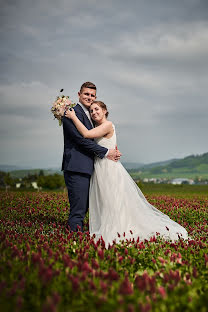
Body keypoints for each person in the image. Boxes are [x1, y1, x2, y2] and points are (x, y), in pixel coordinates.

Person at [65, 100, 189, 246]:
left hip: (108, 169)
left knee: (113, 200)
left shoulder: (107, 125)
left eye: (97, 109)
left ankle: (118, 229)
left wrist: (73, 117)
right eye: (91, 111)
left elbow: (85, 134)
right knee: (106, 201)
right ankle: (110, 227)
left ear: (105, 110)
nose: (94, 113)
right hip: (100, 168)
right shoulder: (99, 127)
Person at [62, 82, 121, 232]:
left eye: (92, 95)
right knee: (78, 209)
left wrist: (111, 147)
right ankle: (74, 242)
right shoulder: (70, 113)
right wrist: (107, 152)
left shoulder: (91, 117)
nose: (89, 97)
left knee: (91, 206)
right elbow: (81, 140)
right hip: (77, 167)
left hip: (93, 168)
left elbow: (99, 135)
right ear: (79, 95)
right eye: (86, 94)